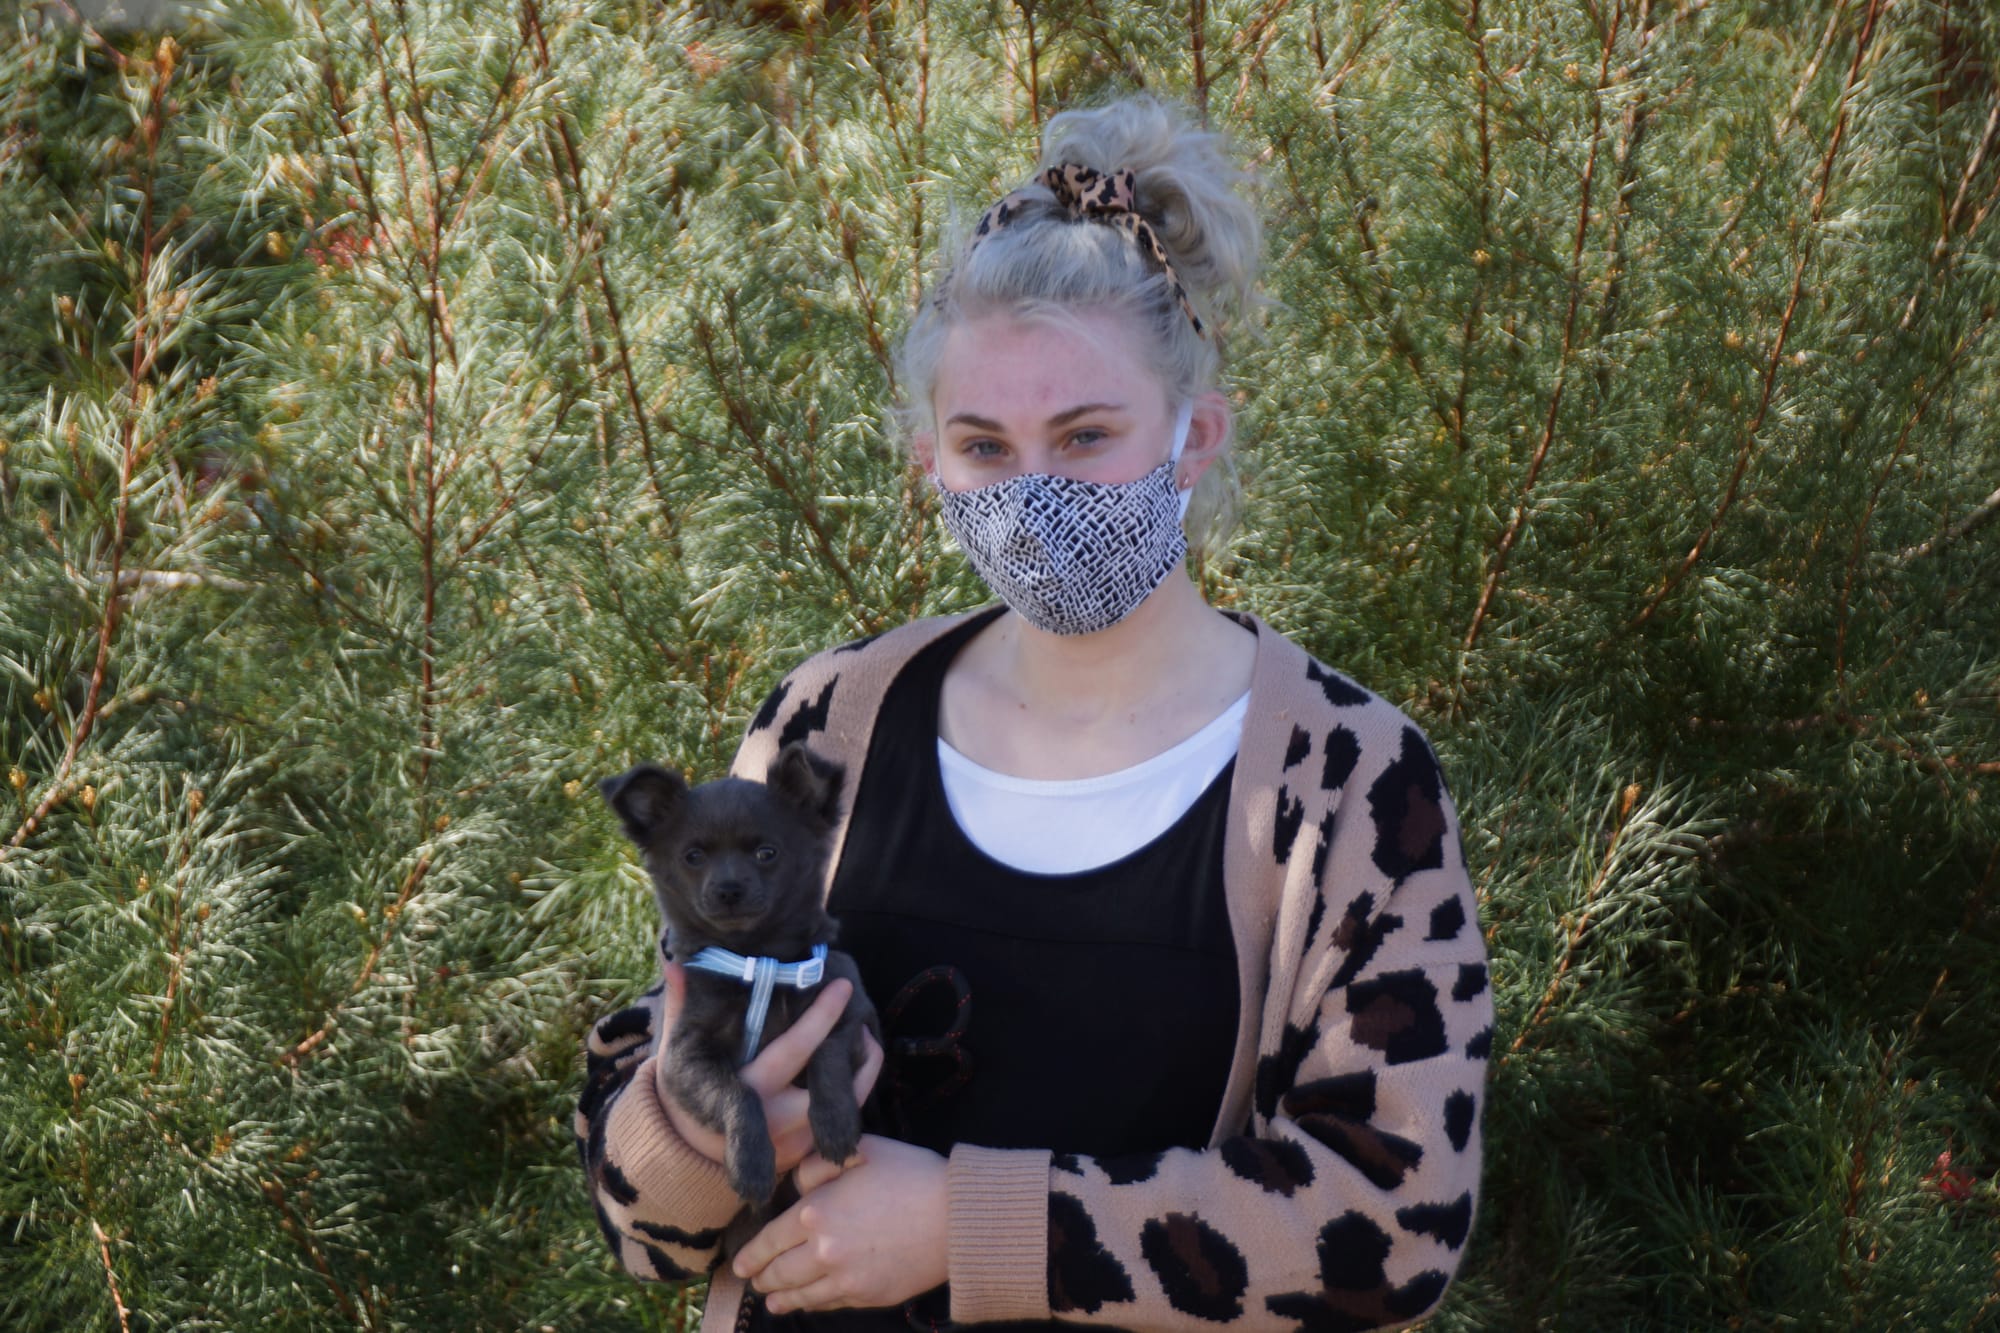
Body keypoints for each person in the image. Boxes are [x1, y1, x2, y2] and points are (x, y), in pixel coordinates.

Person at [577, 93, 1494, 1333]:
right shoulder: (828, 724)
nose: (1031, 493)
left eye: (1085, 434)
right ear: (929, 464)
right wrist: (692, 1134)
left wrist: (968, 1223)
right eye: (983, 447)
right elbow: (645, 1207)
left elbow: (1391, 1223)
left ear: (1192, 435)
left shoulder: (1342, 779)